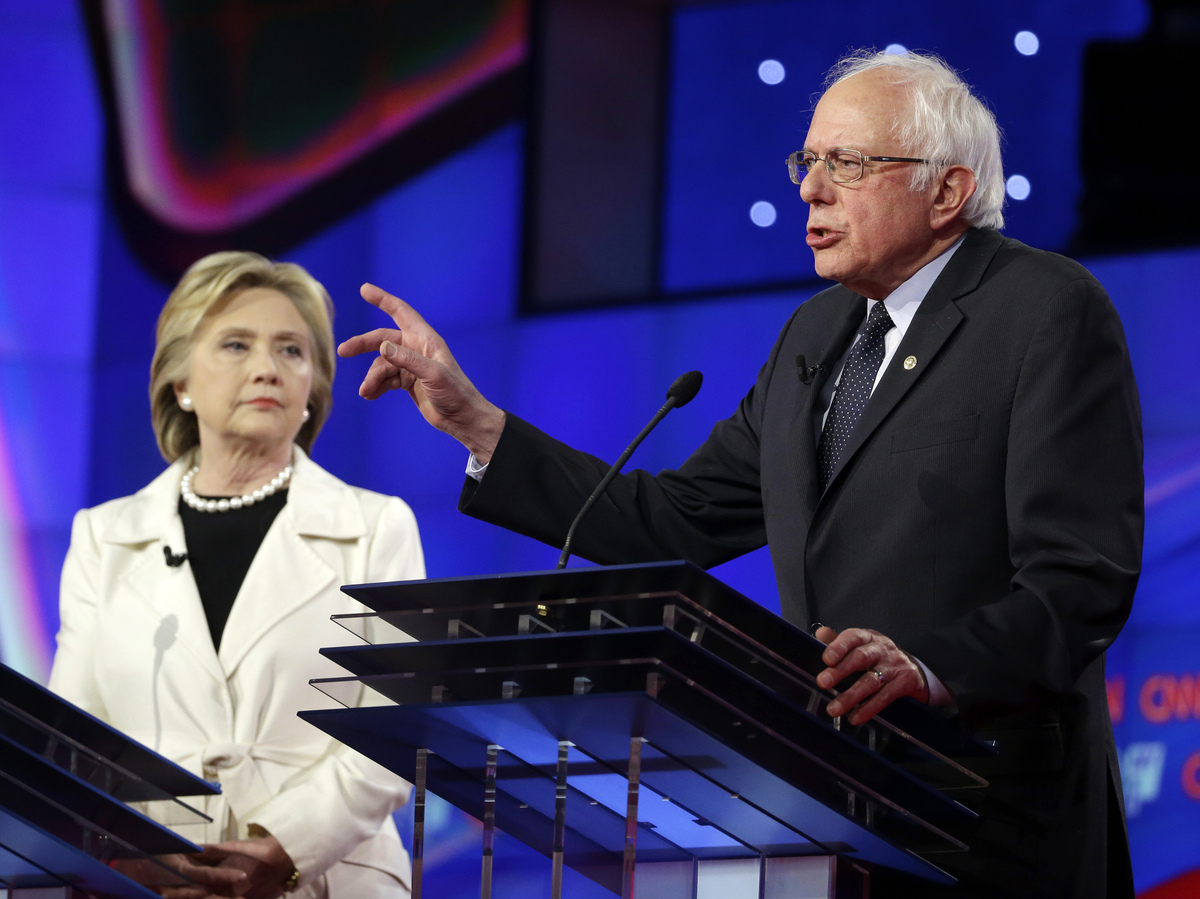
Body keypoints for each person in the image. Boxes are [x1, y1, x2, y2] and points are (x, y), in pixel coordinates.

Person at [336, 50, 1142, 899]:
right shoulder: (817, 332)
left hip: (997, 820)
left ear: (948, 191)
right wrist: (476, 420)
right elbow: (673, 518)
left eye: (849, 163)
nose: (811, 188)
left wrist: (929, 664)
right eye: (809, 161)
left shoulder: (1044, 308)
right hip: (838, 818)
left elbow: (1080, 580)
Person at [50, 252, 425, 899]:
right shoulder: (104, 536)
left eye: (291, 350)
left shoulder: (376, 527)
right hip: (148, 882)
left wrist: (284, 848)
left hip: (323, 878)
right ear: (180, 381)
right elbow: (71, 739)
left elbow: (392, 732)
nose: (266, 368)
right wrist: (122, 855)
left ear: (313, 388)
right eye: (235, 344)